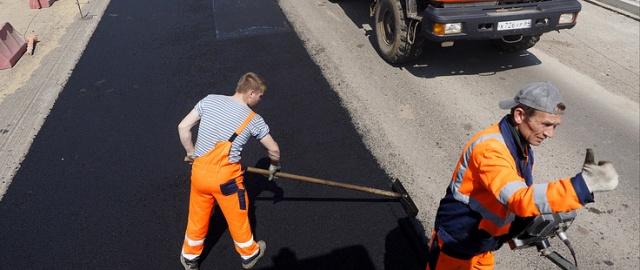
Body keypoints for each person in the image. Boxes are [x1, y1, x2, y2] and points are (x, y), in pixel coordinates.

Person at [426, 82, 619, 269]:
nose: (550, 134)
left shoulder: (521, 147)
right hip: (456, 246)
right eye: (546, 124)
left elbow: (516, 193)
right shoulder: (491, 150)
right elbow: (518, 198)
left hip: (482, 244)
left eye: (555, 126)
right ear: (519, 115)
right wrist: (582, 187)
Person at [177, 72, 281, 270]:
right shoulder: (253, 119)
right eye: (260, 96)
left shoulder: (209, 100)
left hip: (199, 173)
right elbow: (273, 149)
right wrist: (274, 165)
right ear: (251, 93)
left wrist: (191, 153)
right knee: (238, 215)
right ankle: (249, 254)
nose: (260, 100)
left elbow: (183, 127)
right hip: (226, 181)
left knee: (197, 216)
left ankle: (189, 258)